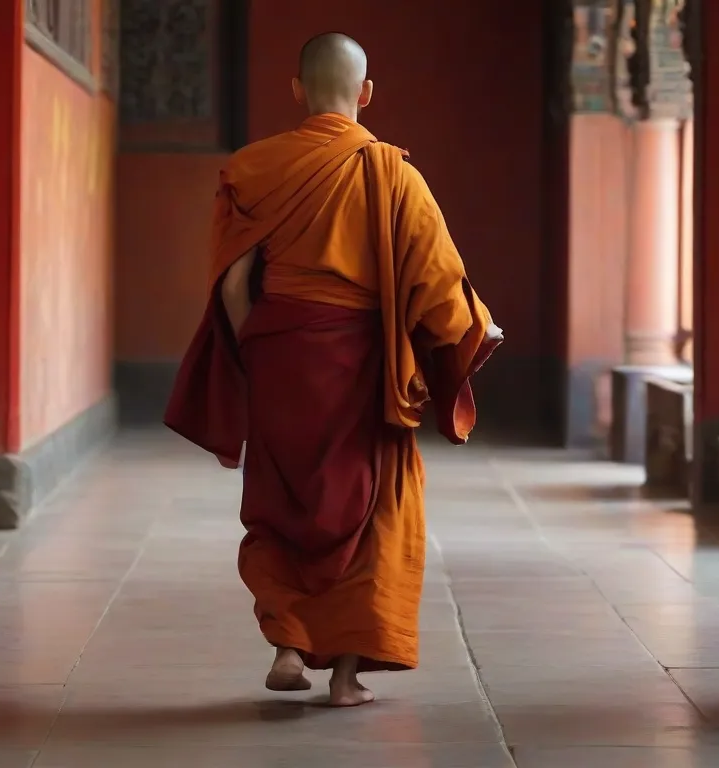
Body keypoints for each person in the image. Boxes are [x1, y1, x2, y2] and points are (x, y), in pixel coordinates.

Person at [164, 32, 502, 707]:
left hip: (280, 356)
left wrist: (257, 355)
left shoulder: (253, 169)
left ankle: (289, 647)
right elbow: (439, 286)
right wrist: (477, 329)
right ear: (366, 94)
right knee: (374, 509)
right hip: (362, 371)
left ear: (297, 92)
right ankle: (345, 680)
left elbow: (233, 289)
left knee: (282, 503)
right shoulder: (393, 173)